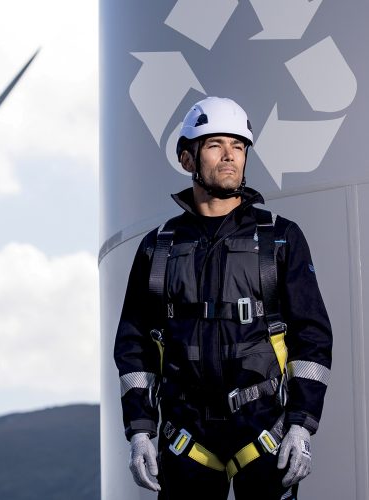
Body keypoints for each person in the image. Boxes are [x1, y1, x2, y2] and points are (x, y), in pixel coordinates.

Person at [114, 97, 332, 499]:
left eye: (239, 146)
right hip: (185, 434)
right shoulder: (157, 247)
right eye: (215, 145)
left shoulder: (279, 237)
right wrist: (140, 431)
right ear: (187, 159)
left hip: (265, 431)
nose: (231, 156)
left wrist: (301, 423)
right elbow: (133, 348)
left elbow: (313, 337)